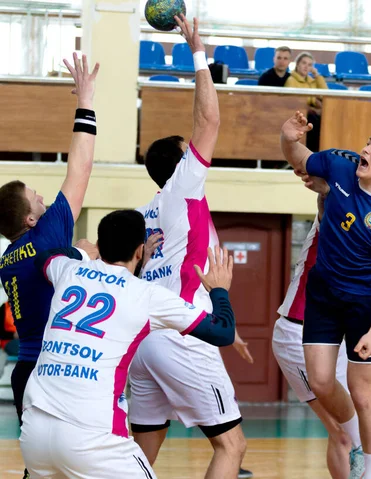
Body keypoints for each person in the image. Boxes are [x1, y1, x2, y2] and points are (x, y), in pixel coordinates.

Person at [19, 209, 237, 478]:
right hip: (93, 436)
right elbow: (222, 332)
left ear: (99, 246)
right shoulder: (147, 295)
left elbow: (44, 257)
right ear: (139, 251)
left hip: (34, 433)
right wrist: (219, 290)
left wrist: (82, 252)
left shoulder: (69, 271)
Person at [128, 15, 251, 479]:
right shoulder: (183, 189)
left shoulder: (143, 215)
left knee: (143, 447)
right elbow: (210, 118)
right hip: (183, 333)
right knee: (231, 446)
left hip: (145, 339)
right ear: (181, 164)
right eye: (190, 151)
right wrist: (197, 51)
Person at [280, 111, 371, 479]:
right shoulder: (339, 165)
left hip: (361, 305)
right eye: (367, 142)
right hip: (322, 296)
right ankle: (356, 440)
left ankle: (370, 474)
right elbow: (297, 159)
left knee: (362, 391)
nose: (364, 150)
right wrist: (289, 138)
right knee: (322, 381)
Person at [0, 52, 99, 479]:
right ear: (29, 218)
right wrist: (86, 103)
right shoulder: (48, 235)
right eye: (37, 196)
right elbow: (80, 165)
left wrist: (77, 256)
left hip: (24, 372)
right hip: (57, 370)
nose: (45, 197)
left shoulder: (7, 259)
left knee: (37, 469)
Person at [272, 176, 371, 479]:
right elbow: (325, 198)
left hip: (336, 339)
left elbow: (353, 304)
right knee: (345, 434)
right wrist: (323, 179)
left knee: (343, 432)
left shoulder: (366, 246)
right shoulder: (329, 226)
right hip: (297, 335)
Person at [284, 52, 328, 152]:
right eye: (304, 63)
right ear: (297, 64)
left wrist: (317, 75)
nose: (306, 67)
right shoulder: (291, 80)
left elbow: (325, 94)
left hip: (310, 112)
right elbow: (295, 101)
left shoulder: (311, 81)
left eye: (309, 65)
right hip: (298, 113)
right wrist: (314, 101)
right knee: (314, 118)